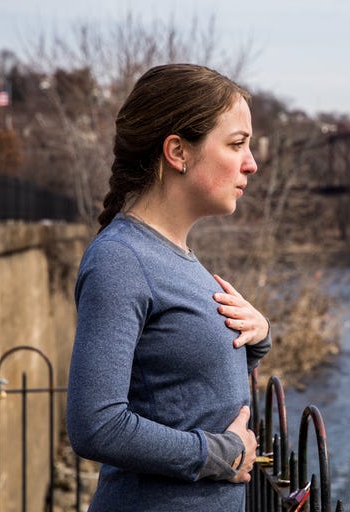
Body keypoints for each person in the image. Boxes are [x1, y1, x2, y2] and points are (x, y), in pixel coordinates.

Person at [66, 63, 271, 511]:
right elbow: (95, 425)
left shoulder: (176, 258)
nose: (251, 164)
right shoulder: (121, 259)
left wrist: (257, 336)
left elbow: (183, 381)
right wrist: (222, 454)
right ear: (178, 151)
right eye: (237, 144)